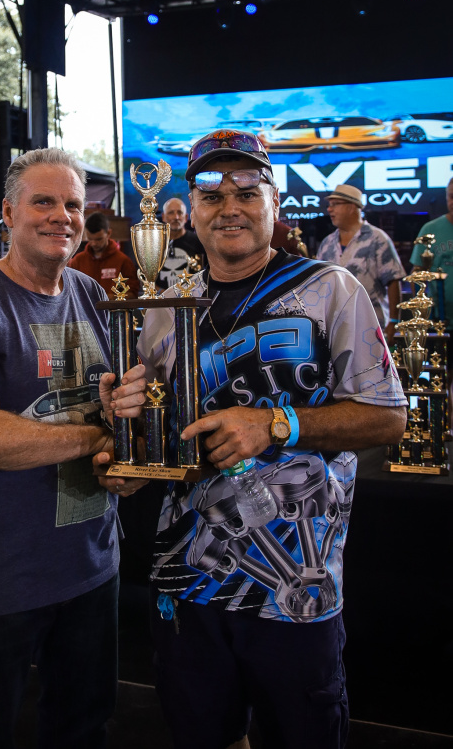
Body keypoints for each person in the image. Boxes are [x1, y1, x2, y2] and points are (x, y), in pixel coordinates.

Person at [95, 130, 407, 749]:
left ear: (275, 205)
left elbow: (388, 418)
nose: (229, 207)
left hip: (297, 588)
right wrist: (124, 450)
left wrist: (276, 425)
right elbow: (154, 432)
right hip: (188, 577)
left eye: (247, 190)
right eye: (211, 194)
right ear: (192, 209)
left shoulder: (330, 289)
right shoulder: (167, 304)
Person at [0, 148, 146, 749]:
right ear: (7, 213)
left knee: (82, 731)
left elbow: (117, 416)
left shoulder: (92, 294)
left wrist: (126, 457)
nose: (61, 217)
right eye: (42, 202)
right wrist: (96, 437)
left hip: (91, 565)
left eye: (72, 204)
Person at [316, 184, 405, 345]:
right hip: (335, 331)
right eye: (329, 205)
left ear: (352, 207)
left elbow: (393, 280)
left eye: (335, 204)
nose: (329, 209)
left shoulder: (377, 238)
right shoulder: (327, 243)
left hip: (372, 328)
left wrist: (394, 321)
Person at [409, 177, 453, 327]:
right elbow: (417, 272)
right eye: (451, 196)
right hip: (441, 321)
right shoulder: (430, 230)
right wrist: (422, 311)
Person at [69, 210, 140, 298]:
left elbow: (133, 294)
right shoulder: (78, 261)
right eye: (90, 239)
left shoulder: (123, 261)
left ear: (108, 233)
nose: (94, 243)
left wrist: (107, 299)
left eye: (99, 239)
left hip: (111, 306)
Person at [156, 196, 205, 290]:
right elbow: (145, 277)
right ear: (163, 217)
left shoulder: (199, 242)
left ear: (186, 217)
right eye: (171, 213)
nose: (176, 217)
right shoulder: (154, 244)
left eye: (180, 213)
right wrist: (162, 294)